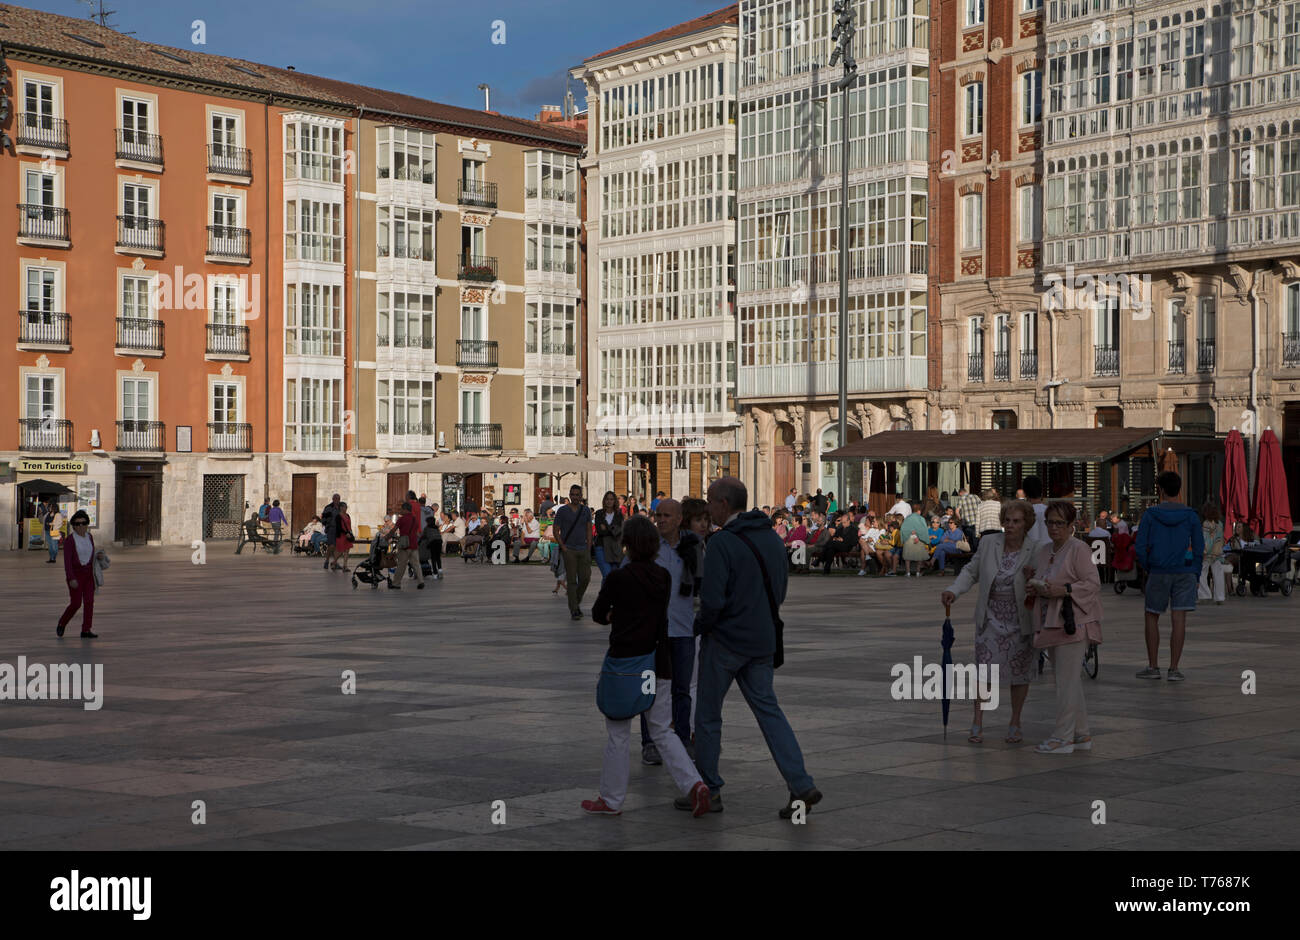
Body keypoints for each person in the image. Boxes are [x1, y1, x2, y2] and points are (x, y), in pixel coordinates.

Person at [688, 478, 820, 818]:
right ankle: (800, 783)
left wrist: (698, 626)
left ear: (723, 504)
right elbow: (780, 592)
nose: (707, 508)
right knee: (769, 713)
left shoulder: (721, 543)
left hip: (726, 642)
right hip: (762, 640)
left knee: (707, 716)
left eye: (710, 502)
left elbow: (713, 601)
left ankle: (709, 790)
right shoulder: (773, 540)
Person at [582, 515, 711, 817]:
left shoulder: (618, 578)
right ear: (653, 544)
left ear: (626, 543)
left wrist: (617, 615)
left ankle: (611, 799)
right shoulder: (662, 577)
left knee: (618, 730)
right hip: (658, 664)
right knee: (662, 730)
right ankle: (694, 784)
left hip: (626, 663)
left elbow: (599, 614)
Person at [941, 500, 1041, 744]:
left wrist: (1034, 581)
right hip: (991, 617)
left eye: (1016, 521)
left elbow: (1044, 579)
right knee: (984, 670)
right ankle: (977, 721)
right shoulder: (989, 543)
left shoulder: (1036, 549)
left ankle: (1015, 721)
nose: (1011, 525)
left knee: (1019, 674)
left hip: (1021, 620)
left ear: (1026, 523)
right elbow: (971, 571)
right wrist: (954, 590)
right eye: (1007, 520)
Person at [1026, 501, 1104, 753]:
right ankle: (1081, 734)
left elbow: (1092, 583)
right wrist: (1035, 585)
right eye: (1050, 522)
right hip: (1051, 620)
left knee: (1066, 682)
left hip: (1073, 622)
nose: (1054, 528)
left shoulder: (1078, 548)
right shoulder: (1045, 549)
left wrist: (1066, 590)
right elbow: (1044, 577)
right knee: (1068, 680)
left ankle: (1063, 736)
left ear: (1071, 526)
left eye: (1060, 523)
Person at [1134, 471, 1204, 682]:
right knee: (1179, 619)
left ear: (1161, 490)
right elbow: (1200, 547)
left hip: (1158, 570)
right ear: (1179, 489)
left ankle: (1153, 666)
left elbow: (1140, 546)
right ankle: (1174, 669)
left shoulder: (1150, 515)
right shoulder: (1191, 515)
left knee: (1151, 616)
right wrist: (1196, 570)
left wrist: (1149, 566)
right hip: (1185, 571)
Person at [57, 510, 104, 639]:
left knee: (89, 602)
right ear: (73, 526)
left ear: (87, 524)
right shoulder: (70, 541)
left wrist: (97, 556)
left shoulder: (90, 537)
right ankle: (62, 622)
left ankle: (86, 630)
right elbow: (67, 562)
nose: (80, 526)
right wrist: (71, 578)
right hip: (75, 576)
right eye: (77, 524)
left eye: (83, 523)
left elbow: (89, 554)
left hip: (88, 575)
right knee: (76, 603)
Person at [554, 484, 593, 620]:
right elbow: (555, 530)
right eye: (573, 494)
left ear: (581, 496)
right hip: (569, 549)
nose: (575, 497)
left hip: (583, 549)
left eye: (578, 495)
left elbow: (589, 529)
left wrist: (589, 547)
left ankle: (575, 600)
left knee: (586, 577)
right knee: (571, 581)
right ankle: (574, 609)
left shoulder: (586, 510)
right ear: (569, 495)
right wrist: (563, 547)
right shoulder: (563, 511)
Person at [390, 502, 425, 590]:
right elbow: (417, 533)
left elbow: (394, 530)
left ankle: (396, 583)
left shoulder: (401, 519)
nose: (400, 511)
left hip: (404, 545)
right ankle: (421, 581)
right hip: (413, 545)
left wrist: (387, 537)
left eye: (401, 509)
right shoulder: (414, 519)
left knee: (401, 565)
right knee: (416, 564)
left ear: (405, 509)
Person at [1197, 504, 1225, 605]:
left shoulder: (1206, 524)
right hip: (1217, 553)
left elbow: (1206, 540)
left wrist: (1204, 551)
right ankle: (1220, 597)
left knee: (1201, 574)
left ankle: (1204, 595)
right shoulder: (1220, 524)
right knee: (1218, 575)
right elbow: (1220, 539)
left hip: (1207, 553)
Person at [593, 491, 624, 578]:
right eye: (607, 499)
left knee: (613, 576)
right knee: (607, 575)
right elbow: (600, 531)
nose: (609, 501)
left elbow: (619, 531)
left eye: (611, 499)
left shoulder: (619, 514)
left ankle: (607, 591)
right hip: (601, 546)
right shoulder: (599, 513)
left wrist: (606, 528)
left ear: (614, 501)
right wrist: (612, 529)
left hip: (615, 548)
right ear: (604, 501)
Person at [899, 504, 930, 577]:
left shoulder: (907, 518)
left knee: (907, 557)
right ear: (919, 511)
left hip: (909, 538)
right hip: (919, 539)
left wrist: (910, 531)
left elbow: (903, 529)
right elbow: (924, 530)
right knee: (919, 557)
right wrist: (918, 536)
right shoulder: (921, 518)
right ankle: (918, 572)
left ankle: (908, 572)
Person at [1022, 475, 1048, 544]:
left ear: (1024, 492)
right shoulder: (1050, 511)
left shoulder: (1023, 513)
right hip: (1050, 551)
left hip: (1031, 551)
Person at [320, 493, 342, 570]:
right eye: (335, 499)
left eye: (338, 499)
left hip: (339, 530)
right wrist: (327, 526)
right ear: (333, 499)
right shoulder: (328, 507)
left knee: (337, 547)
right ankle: (327, 561)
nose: (337, 500)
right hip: (331, 529)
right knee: (331, 546)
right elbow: (323, 519)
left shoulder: (341, 507)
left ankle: (335, 563)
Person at [331, 502, 354, 571]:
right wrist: (345, 533)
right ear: (341, 507)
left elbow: (349, 525)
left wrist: (351, 533)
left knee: (347, 551)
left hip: (348, 535)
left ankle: (345, 566)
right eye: (345, 507)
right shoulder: (338, 516)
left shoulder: (348, 515)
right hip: (341, 535)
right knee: (341, 551)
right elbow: (338, 527)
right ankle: (334, 562)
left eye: (346, 507)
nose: (346, 508)